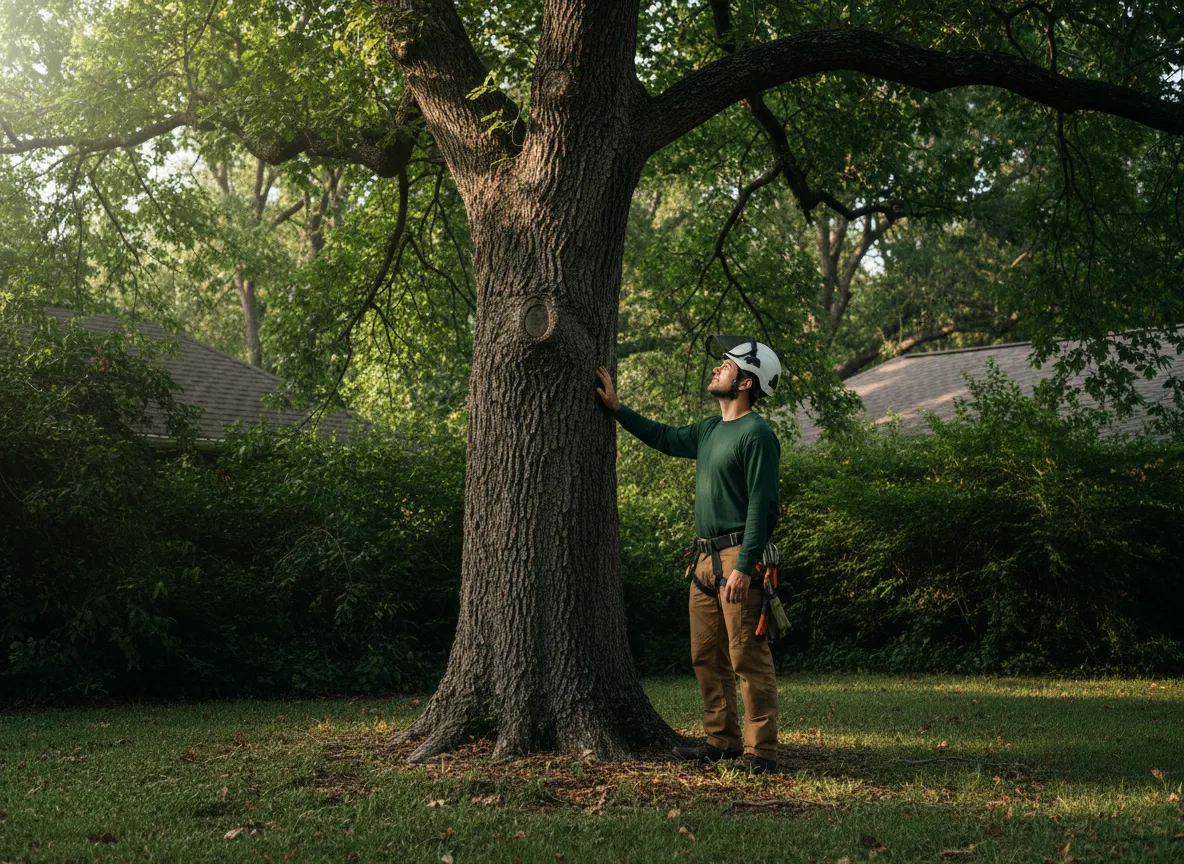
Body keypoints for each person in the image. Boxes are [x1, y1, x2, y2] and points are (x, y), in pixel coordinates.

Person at [595, 336, 782, 774]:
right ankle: (722, 741)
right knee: (706, 655)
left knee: (747, 657)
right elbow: (663, 436)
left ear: (746, 381)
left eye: (726, 365)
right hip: (702, 559)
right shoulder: (708, 430)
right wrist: (618, 409)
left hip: (739, 557)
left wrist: (745, 565)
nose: (717, 369)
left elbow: (763, 506)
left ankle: (762, 753)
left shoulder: (757, 434)